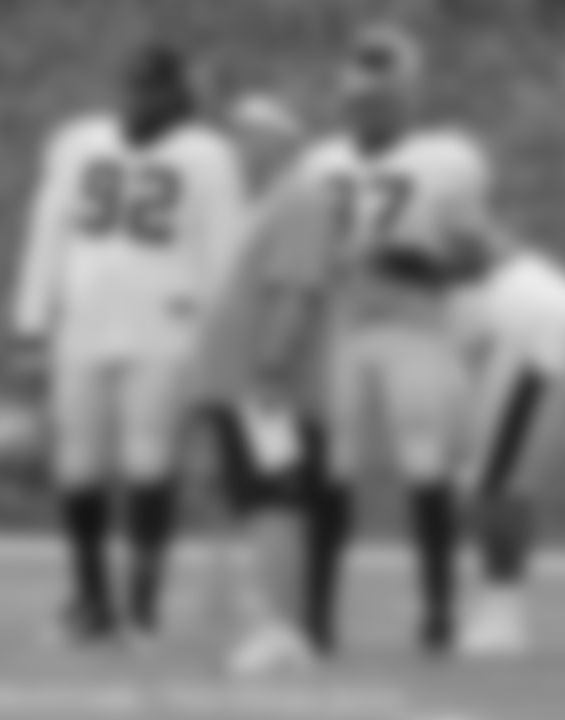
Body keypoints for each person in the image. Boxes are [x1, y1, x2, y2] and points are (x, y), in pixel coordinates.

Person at [277, 25, 508, 657]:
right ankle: (317, 616)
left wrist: (426, 264)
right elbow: (298, 257)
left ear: (409, 97)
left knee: (426, 466)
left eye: (384, 97)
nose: (370, 108)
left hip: (415, 326)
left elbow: (482, 258)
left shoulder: (447, 160)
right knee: (330, 469)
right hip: (340, 330)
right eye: (361, 96)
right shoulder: (320, 163)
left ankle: (438, 613)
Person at [10, 44, 248, 643]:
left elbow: (223, 252)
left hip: (165, 322)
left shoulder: (208, 155)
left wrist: (221, 340)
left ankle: (141, 606)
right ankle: (91, 602)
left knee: (149, 458)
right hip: (84, 321)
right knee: (77, 463)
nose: (138, 100)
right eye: (132, 87)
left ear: (176, 94)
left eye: (152, 90)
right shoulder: (77, 142)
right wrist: (32, 321)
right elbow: (47, 233)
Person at [202, 92, 324, 675]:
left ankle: (279, 625)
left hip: (265, 385)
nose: (238, 148)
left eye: (248, 136)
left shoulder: (298, 200)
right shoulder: (269, 201)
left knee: (274, 500)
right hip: (244, 383)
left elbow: (294, 291)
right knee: (259, 501)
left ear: (279, 142)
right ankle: (272, 620)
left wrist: (271, 368)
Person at [452, 244, 565, 657]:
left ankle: (503, 612)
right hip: (551, 335)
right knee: (499, 481)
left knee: (495, 483)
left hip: (541, 343)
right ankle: (502, 606)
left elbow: (469, 351)